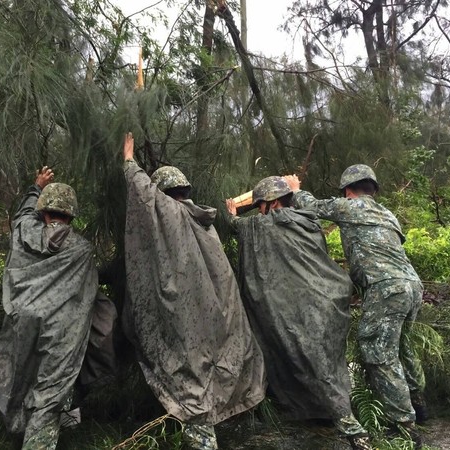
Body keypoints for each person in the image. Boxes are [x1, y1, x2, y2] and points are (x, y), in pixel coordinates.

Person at [122, 133, 266, 450]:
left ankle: (202, 436)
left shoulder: (169, 213)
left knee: (190, 372)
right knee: (209, 365)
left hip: (187, 317)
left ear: (164, 193)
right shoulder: (203, 220)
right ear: (185, 190)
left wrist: (130, 161)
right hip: (215, 315)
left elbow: (145, 195)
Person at [285, 164, 427, 449]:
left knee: (378, 352)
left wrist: (295, 190)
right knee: (402, 347)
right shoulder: (387, 213)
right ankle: (419, 404)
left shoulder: (352, 207)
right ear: (373, 188)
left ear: (348, 190)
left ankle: (404, 425)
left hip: (387, 288)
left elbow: (313, 206)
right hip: (412, 286)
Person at [226, 176, 371, 450]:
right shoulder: (309, 222)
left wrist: (231, 212)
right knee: (326, 365)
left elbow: (236, 226)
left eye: (261, 205)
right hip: (326, 303)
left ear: (274, 203)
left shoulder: (265, 224)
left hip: (300, 310)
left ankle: (353, 431)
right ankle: (322, 414)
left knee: (316, 367)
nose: (259, 211)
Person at [0, 167, 101, 450]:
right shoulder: (81, 249)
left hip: (22, 326)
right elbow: (88, 296)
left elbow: (22, 217)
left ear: (43, 213)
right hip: (58, 334)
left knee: (21, 379)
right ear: (72, 215)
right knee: (48, 393)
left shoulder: (25, 233)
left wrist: (36, 187)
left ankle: (26, 429)